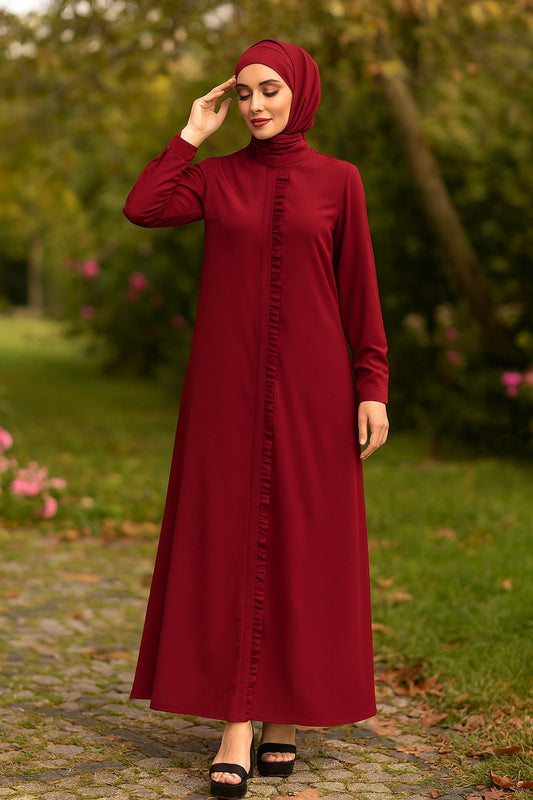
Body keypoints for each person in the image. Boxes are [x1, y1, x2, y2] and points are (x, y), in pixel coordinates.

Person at [123, 38, 389, 800]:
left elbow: (357, 290)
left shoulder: (339, 181)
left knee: (303, 545)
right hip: (225, 395)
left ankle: (284, 718)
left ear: (299, 92)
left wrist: (371, 385)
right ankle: (238, 721)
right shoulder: (217, 180)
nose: (257, 104)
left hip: (314, 392)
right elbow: (143, 207)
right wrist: (191, 134)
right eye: (243, 93)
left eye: (269, 89)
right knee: (230, 542)